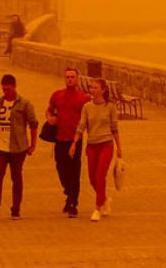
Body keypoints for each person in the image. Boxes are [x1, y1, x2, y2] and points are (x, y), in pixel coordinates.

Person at [0, 74, 38, 220]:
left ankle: (16, 208)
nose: (5, 92)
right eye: (3, 89)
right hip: (0, 147)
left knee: (16, 178)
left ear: (14, 87)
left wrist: (33, 145)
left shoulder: (25, 104)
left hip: (18, 148)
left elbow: (33, 124)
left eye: (8, 89)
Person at [70, 78, 123, 222]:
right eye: (91, 88)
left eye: (95, 88)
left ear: (103, 90)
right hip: (92, 145)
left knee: (100, 176)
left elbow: (114, 128)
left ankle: (97, 208)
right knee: (92, 178)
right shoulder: (87, 107)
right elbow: (81, 126)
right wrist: (74, 143)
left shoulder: (110, 107)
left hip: (106, 145)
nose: (92, 90)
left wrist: (119, 148)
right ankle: (104, 199)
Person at [46, 68, 90, 218]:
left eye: (72, 77)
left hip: (75, 139)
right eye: (67, 77)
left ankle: (73, 203)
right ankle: (69, 192)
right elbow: (49, 111)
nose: (70, 79)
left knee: (74, 171)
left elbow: (88, 118)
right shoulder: (57, 96)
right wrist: (50, 119)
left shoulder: (83, 99)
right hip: (60, 138)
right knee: (61, 168)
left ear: (77, 79)